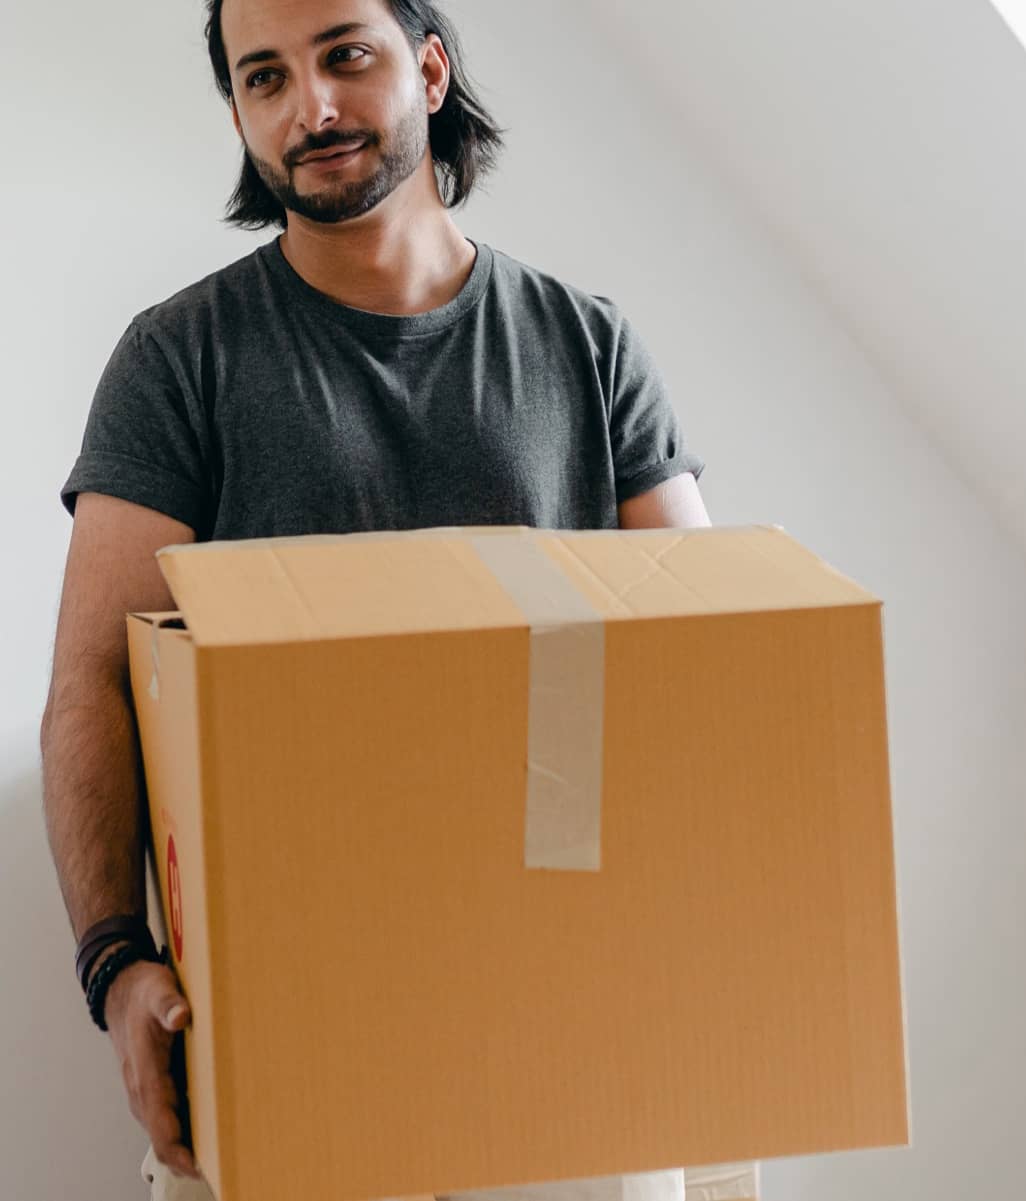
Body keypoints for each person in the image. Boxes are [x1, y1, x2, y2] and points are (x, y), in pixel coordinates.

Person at [40, 0, 709, 1196]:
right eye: (265, 79)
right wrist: (114, 963)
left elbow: (709, 654)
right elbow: (93, 685)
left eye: (346, 55)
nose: (314, 108)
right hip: (280, 1012)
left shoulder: (589, 347)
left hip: (565, 1021)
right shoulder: (180, 359)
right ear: (239, 113)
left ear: (431, 70)